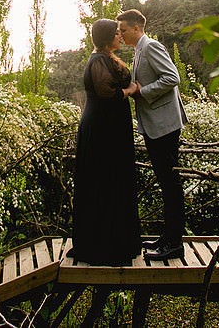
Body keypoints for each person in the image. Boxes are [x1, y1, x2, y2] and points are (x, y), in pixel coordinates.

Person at [67, 19, 142, 266]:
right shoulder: (98, 60)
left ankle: (118, 241)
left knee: (114, 182)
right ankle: (102, 246)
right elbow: (106, 93)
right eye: (116, 33)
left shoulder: (106, 58)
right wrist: (130, 90)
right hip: (101, 131)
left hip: (112, 129)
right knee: (103, 182)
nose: (120, 36)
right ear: (106, 37)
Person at [116, 9, 188, 261]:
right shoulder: (139, 50)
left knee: (170, 184)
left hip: (165, 125)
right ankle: (167, 238)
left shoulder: (151, 46)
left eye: (123, 30)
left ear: (136, 28)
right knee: (166, 184)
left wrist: (141, 91)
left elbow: (172, 78)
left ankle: (175, 244)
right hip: (155, 126)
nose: (120, 35)